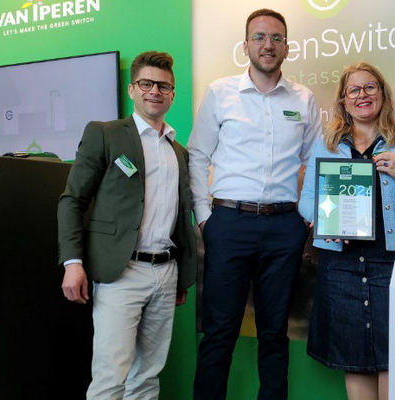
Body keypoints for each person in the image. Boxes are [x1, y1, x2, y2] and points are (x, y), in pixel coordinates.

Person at [187, 8, 322, 400]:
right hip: (229, 223)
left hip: (284, 229)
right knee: (219, 333)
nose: (268, 45)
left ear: (287, 47)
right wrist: (205, 218)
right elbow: (197, 157)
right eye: (259, 37)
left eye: (276, 38)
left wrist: (306, 216)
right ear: (245, 45)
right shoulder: (220, 93)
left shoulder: (303, 98)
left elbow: (316, 162)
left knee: (274, 334)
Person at [57, 51, 197, 400]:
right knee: (111, 377)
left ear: (173, 94)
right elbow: (72, 200)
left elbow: (180, 217)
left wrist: (182, 275)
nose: (155, 91)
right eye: (146, 84)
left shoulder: (179, 152)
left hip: (165, 273)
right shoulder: (105, 134)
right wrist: (72, 262)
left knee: (147, 377)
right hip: (121, 272)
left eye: (163, 86)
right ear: (132, 89)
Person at [298, 62, 395, 400]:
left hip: (392, 263)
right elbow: (306, 202)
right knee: (355, 360)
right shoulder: (327, 144)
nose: (362, 95)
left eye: (370, 87)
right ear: (344, 100)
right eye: (354, 90)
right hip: (341, 265)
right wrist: (324, 220)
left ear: (382, 94)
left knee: (393, 357)